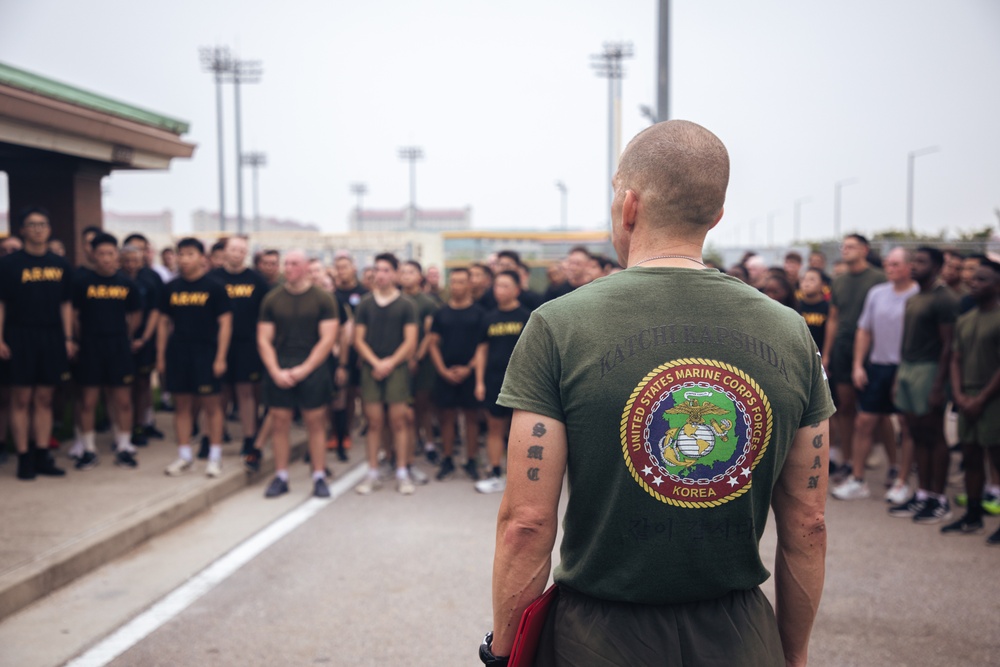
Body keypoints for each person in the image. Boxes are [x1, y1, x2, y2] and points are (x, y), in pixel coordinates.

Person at [484, 120, 833, 667]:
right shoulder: (790, 331)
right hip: (739, 631)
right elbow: (808, 523)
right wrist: (793, 655)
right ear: (715, 216)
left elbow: (527, 523)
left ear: (628, 205)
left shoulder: (558, 325)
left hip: (597, 635)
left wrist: (504, 654)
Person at [832, 247, 917, 503]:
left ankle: (901, 481)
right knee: (864, 422)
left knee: (905, 424)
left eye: (896, 264)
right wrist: (858, 365)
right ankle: (858, 480)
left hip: (906, 367)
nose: (890, 268)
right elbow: (864, 330)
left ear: (909, 267)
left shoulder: (916, 294)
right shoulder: (877, 293)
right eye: (888, 263)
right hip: (878, 365)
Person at [0, 207, 75, 480]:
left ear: (49, 229)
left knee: (45, 398)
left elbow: (66, 304)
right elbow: (2, 305)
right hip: (19, 335)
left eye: (42, 224)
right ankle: (24, 457)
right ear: (22, 230)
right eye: (32, 225)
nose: (38, 229)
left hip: (52, 336)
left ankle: (43, 453)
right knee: (21, 398)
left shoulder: (60, 265)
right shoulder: (8, 265)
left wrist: (67, 337)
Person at [258, 250, 340, 498]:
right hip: (281, 364)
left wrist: (305, 369)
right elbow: (263, 338)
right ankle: (281, 476)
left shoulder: (323, 299)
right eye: (287, 263)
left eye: (294, 263)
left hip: (312, 366)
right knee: (279, 422)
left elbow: (327, 339)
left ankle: (318, 475)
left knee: (315, 423)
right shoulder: (272, 299)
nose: (288, 268)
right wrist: (275, 371)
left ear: (306, 267)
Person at [888, 246, 959, 524]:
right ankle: (923, 494)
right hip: (909, 368)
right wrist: (899, 376)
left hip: (930, 371)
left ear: (938, 266)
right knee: (915, 432)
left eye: (921, 261)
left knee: (934, 434)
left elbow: (948, 346)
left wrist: (939, 385)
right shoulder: (915, 297)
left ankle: (939, 500)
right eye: (913, 260)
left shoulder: (945, 299)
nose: (915, 266)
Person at [157, 238, 232, 478]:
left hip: (206, 353)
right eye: (181, 254)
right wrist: (160, 357)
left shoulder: (215, 287)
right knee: (182, 406)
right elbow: (163, 323)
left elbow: (225, 324)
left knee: (212, 405)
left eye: (190, 254)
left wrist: (220, 357)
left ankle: (215, 456)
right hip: (179, 353)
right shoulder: (171, 288)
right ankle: (184, 455)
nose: (184, 259)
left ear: (202, 258)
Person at [72, 233, 142, 468]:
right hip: (91, 346)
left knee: (122, 399)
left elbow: (136, 313)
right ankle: (88, 449)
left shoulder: (127, 284)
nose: (105, 258)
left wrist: (127, 336)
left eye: (110, 253)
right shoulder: (82, 283)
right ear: (93, 255)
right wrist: (79, 337)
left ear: (117, 256)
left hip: (118, 347)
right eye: (101, 253)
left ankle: (123, 446)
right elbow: (74, 315)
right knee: (88, 400)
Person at [944, 259, 1000, 544]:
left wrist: (982, 398)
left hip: (992, 399)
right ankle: (973, 514)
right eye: (973, 279)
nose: (973, 283)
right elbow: (956, 358)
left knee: (997, 459)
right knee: (971, 457)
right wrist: (959, 393)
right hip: (967, 396)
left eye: (982, 279)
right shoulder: (966, 319)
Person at [353, 253, 418, 495]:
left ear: (395, 273)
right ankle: (372, 472)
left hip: (397, 369)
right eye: (377, 269)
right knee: (374, 423)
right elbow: (358, 339)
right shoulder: (365, 304)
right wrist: (375, 363)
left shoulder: (406, 305)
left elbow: (410, 341)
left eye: (386, 270)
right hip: (371, 369)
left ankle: (402, 471)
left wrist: (390, 363)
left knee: (399, 422)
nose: (381, 274)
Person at [822, 234, 885, 482]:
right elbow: (834, 318)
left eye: (851, 246)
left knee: (876, 409)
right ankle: (848, 459)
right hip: (842, 349)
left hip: (871, 351)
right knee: (845, 407)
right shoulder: (839, 280)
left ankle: (887, 460)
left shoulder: (879, 279)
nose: (845, 250)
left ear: (865, 249)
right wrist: (826, 354)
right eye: (843, 246)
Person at [210, 236, 271, 467]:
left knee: (246, 392)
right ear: (224, 252)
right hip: (217, 344)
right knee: (219, 393)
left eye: (241, 250)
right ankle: (212, 437)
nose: (237, 253)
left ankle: (249, 437)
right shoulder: (213, 279)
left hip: (247, 343)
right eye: (233, 249)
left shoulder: (256, 280)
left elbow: (265, 315)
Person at [472, 270, 529, 494]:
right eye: (497, 286)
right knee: (494, 428)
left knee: (519, 432)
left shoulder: (527, 316)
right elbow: (481, 351)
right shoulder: (488, 318)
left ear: (516, 289)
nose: (499, 290)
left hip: (520, 383)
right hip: (493, 381)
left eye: (505, 286)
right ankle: (496, 472)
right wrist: (479, 382)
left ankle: (520, 478)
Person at [429, 267, 485, 482]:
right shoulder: (441, 313)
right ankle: (448, 458)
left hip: (469, 373)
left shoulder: (479, 313)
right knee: (447, 418)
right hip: (446, 373)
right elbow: (432, 343)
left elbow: (483, 346)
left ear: (470, 284)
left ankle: (471, 459)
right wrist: (442, 369)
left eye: (462, 282)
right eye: (453, 282)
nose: (457, 286)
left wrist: (469, 368)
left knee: (471, 417)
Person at [121, 233, 166, 445]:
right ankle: (123, 428)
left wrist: (145, 338)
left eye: (139, 252)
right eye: (128, 256)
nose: (132, 261)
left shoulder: (152, 278)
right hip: (119, 340)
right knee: (122, 387)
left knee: (143, 384)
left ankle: (142, 424)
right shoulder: (117, 278)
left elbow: (157, 310)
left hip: (145, 340)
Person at [332, 253, 369, 454]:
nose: (341, 271)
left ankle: (350, 430)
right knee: (339, 395)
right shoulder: (333, 294)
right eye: (338, 267)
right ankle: (339, 433)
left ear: (353, 268)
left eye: (345, 267)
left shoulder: (364, 294)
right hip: (336, 352)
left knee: (355, 392)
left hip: (358, 351)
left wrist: (363, 353)